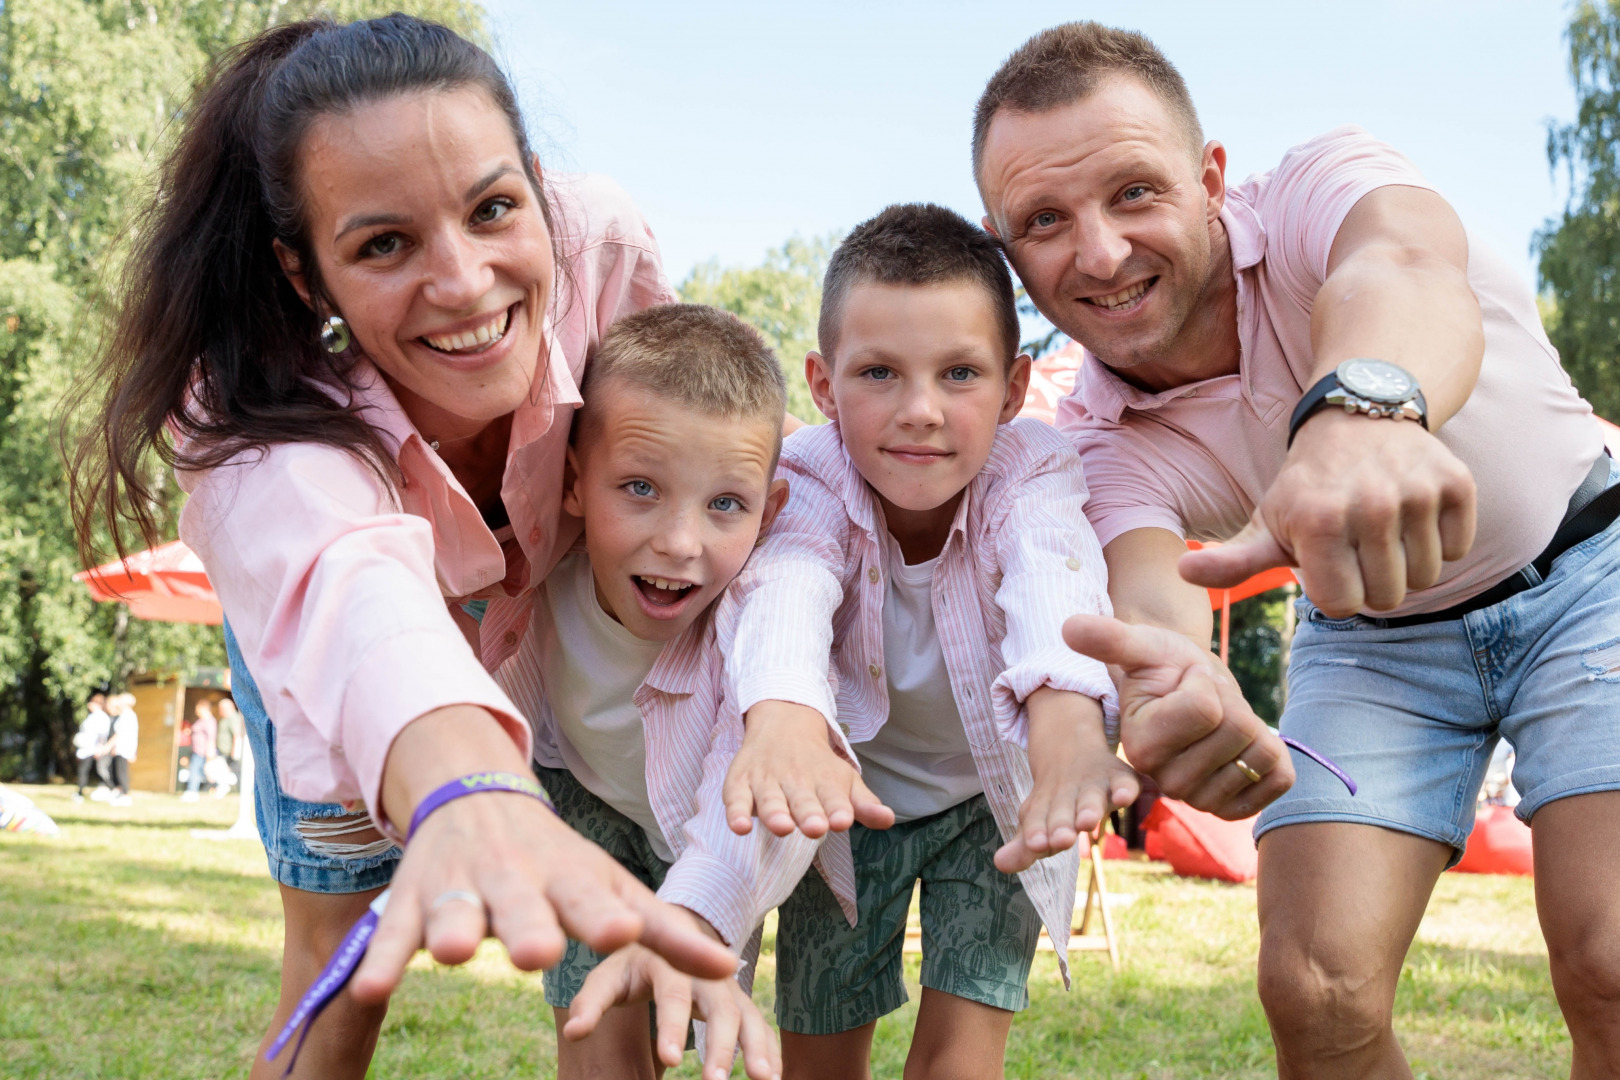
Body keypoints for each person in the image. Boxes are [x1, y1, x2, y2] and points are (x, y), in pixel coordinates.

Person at [68, 15, 735, 1079]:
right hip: (333, 658)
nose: (466, 283)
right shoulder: (248, 410)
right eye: (383, 244)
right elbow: (351, 595)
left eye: (493, 208)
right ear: (303, 273)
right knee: (343, 963)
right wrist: (469, 788)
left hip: (553, 645)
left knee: (620, 961)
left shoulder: (604, 246)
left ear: (534, 181)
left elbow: (691, 441)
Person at [972, 22, 1620, 1077]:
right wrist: (1173, 683)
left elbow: (1404, 263)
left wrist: (1363, 407)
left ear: (1212, 179)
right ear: (1005, 249)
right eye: (1045, 220)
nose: (1098, 252)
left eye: (1135, 193)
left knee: (1612, 959)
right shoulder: (1096, 438)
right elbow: (1151, 589)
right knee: (1314, 989)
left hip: (1591, 575)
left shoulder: (1322, 182)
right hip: (1372, 646)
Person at [721, 204, 1134, 1080]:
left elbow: (1050, 574)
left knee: (960, 1061)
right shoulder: (810, 475)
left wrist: (1066, 729)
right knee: (821, 1059)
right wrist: (785, 715)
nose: (920, 411)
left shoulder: (1031, 469)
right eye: (878, 373)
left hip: (992, 808)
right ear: (824, 387)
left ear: (1015, 388)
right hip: (846, 804)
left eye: (959, 374)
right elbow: (789, 584)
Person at [497, 303, 812, 1080]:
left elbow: (758, 798)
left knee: (685, 1027)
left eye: (725, 505)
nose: (679, 543)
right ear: (573, 485)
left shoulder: (764, 623)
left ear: (768, 514)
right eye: (640, 488)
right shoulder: (532, 581)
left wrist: (698, 912)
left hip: (708, 836)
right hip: (584, 799)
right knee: (598, 1040)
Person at [72, 692, 112, 802]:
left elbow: (101, 735)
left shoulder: (101, 717)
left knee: (100, 771)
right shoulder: (91, 717)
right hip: (86, 748)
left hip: (93, 749)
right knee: (83, 771)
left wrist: (99, 748)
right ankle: (80, 791)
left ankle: (112, 789)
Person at [182, 699, 218, 802]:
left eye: (198, 709)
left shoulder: (210, 721)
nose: (196, 711)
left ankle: (192, 792)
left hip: (202, 752)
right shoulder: (200, 720)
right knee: (195, 771)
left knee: (196, 772)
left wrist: (210, 752)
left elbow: (211, 738)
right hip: (196, 751)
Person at [107, 694, 139, 808]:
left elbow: (120, 734)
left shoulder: (128, 715)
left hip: (123, 749)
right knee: (117, 771)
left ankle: (125, 795)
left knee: (122, 773)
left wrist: (108, 746)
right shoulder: (125, 715)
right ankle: (119, 793)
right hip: (120, 749)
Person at [217, 696, 244, 793]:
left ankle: (242, 790)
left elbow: (237, 735)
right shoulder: (225, 718)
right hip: (224, 751)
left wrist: (235, 750)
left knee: (238, 771)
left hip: (231, 752)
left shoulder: (233, 718)